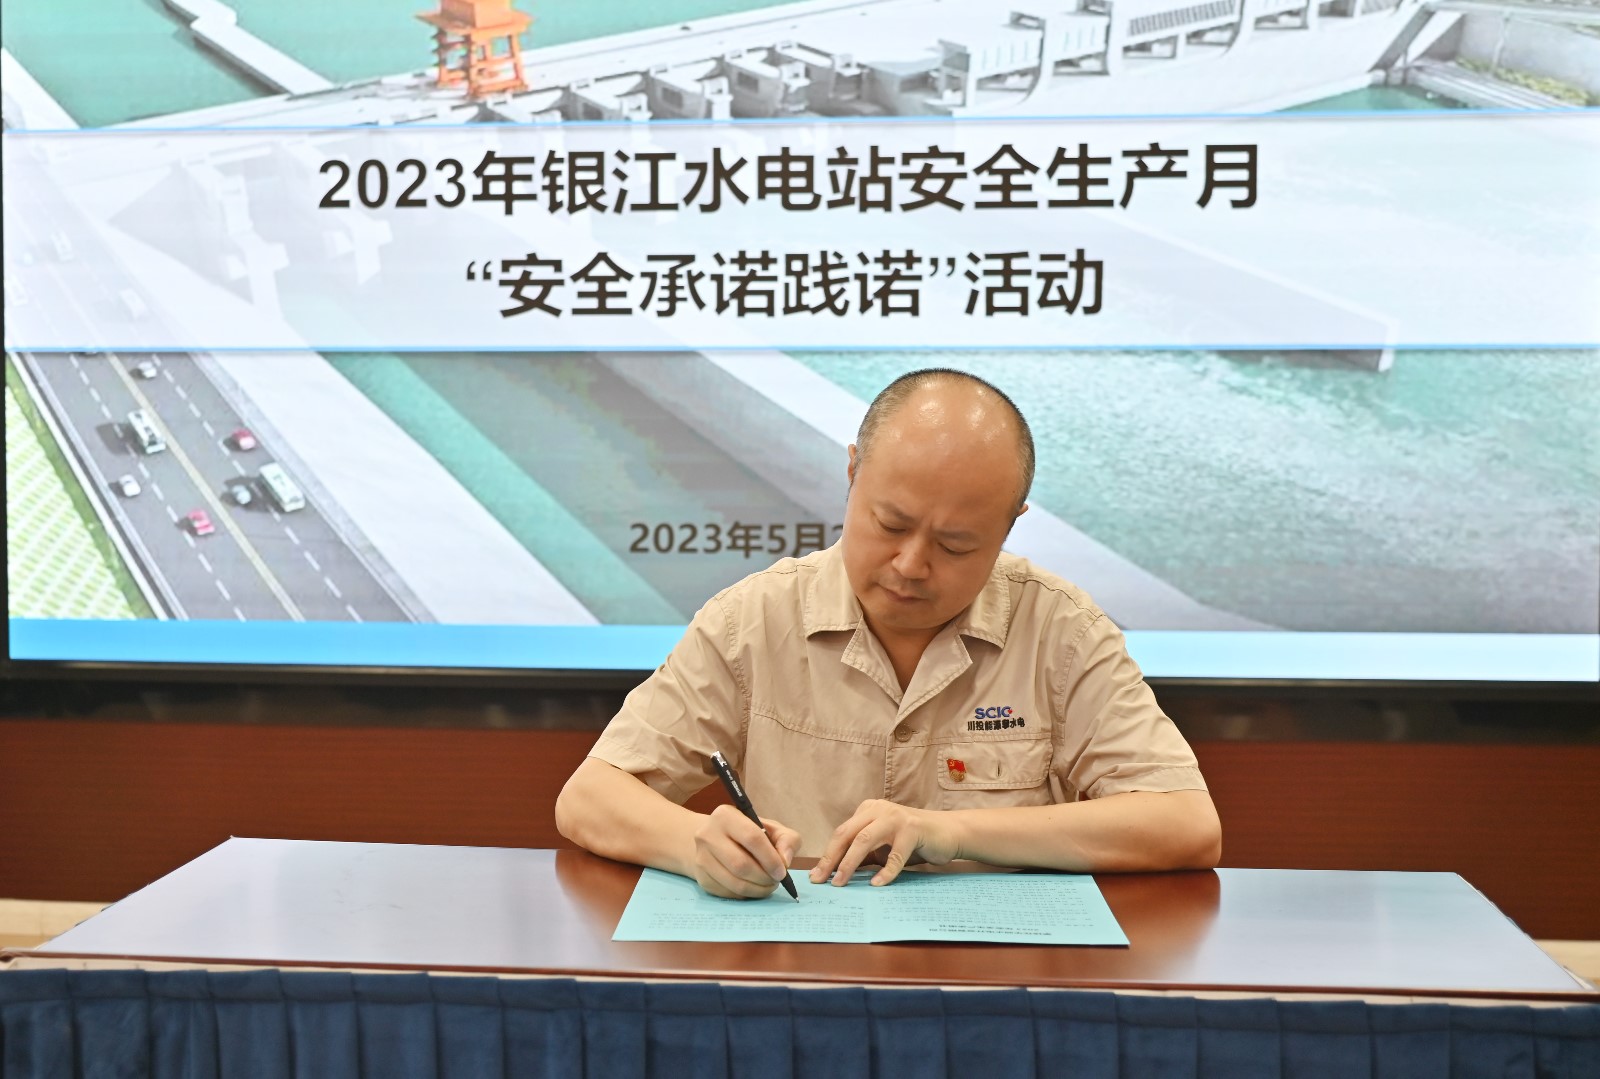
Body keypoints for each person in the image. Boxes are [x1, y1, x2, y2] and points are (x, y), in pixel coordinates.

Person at [556, 368, 1221, 899]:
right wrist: (695, 845)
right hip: (804, 979)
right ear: (852, 473)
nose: (910, 565)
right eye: (891, 524)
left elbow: (1186, 824)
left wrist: (953, 833)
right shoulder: (753, 619)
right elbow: (589, 798)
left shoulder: (1061, 629)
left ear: (1011, 524)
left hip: (996, 980)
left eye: (956, 545)